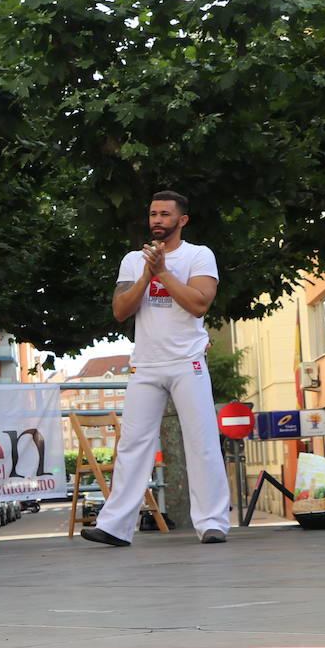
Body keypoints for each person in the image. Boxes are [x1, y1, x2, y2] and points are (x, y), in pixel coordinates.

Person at [81, 191, 230, 546]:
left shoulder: (198, 255)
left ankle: (212, 523)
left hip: (186, 362)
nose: (157, 220)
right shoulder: (134, 260)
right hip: (145, 364)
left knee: (202, 442)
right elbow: (120, 311)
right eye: (152, 214)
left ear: (182, 220)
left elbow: (199, 304)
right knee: (132, 444)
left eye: (165, 214)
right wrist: (147, 275)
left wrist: (164, 272)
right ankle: (115, 526)